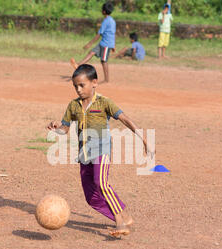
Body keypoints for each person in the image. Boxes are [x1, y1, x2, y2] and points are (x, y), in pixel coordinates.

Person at [46, 64, 154, 237]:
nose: (78, 90)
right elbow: (65, 128)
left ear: (94, 83)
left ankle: (120, 224)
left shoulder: (104, 102)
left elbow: (125, 119)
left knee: (101, 183)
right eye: (75, 86)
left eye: (82, 85)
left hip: (101, 150)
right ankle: (124, 216)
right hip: (84, 154)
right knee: (92, 198)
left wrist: (144, 138)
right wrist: (57, 127)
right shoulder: (73, 106)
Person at [70, 2, 116, 83]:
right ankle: (78, 65)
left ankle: (106, 79)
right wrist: (114, 45)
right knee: (91, 52)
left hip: (106, 44)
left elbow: (99, 34)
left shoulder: (106, 21)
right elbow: (113, 33)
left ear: (104, 11)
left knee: (104, 61)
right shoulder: (112, 21)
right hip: (104, 43)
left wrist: (89, 43)